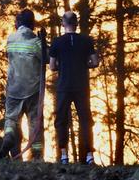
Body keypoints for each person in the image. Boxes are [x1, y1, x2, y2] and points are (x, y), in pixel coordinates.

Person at [49, 11, 99, 165]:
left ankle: (64, 155)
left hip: (64, 86)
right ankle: (89, 155)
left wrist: (62, 65)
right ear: (76, 23)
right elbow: (95, 62)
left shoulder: (57, 42)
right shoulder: (86, 41)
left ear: (63, 23)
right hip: (81, 86)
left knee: (61, 120)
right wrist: (84, 64)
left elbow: (52, 66)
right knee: (85, 120)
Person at [0, 9, 47, 161]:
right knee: (34, 122)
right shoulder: (35, 42)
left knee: (11, 119)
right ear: (32, 24)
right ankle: (36, 155)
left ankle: (9, 137)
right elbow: (46, 59)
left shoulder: (10, 39)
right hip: (33, 89)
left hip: (13, 87)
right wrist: (44, 42)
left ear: (18, 23)